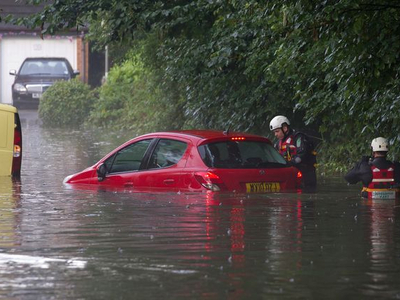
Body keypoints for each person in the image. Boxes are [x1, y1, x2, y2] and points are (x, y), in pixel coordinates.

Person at [269, 115, 317, 189]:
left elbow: (302, 155)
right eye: (274, 132)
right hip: (290, 174)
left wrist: (289, 163)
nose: (275, 134)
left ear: (285, 128)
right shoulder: (278, 143)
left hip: (305, 173)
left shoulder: (298, 138)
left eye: (277, 131)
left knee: (307, 193)